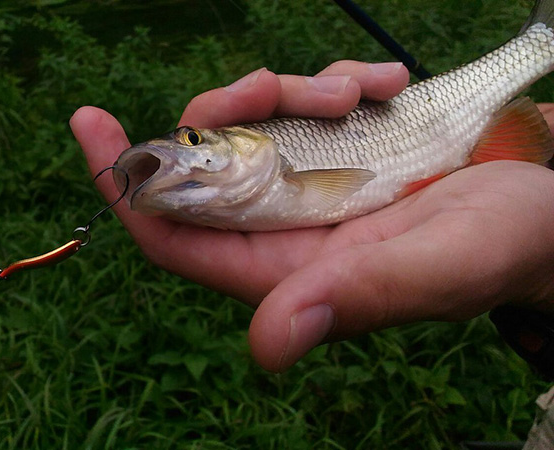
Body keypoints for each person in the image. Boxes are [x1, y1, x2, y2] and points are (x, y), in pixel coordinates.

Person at [70, 60, 554, 374]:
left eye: (193, 140)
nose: (186, 151)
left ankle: (537, 46)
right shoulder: (223, 205)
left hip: (441, 121)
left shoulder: (260, 183)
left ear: (254, 146)